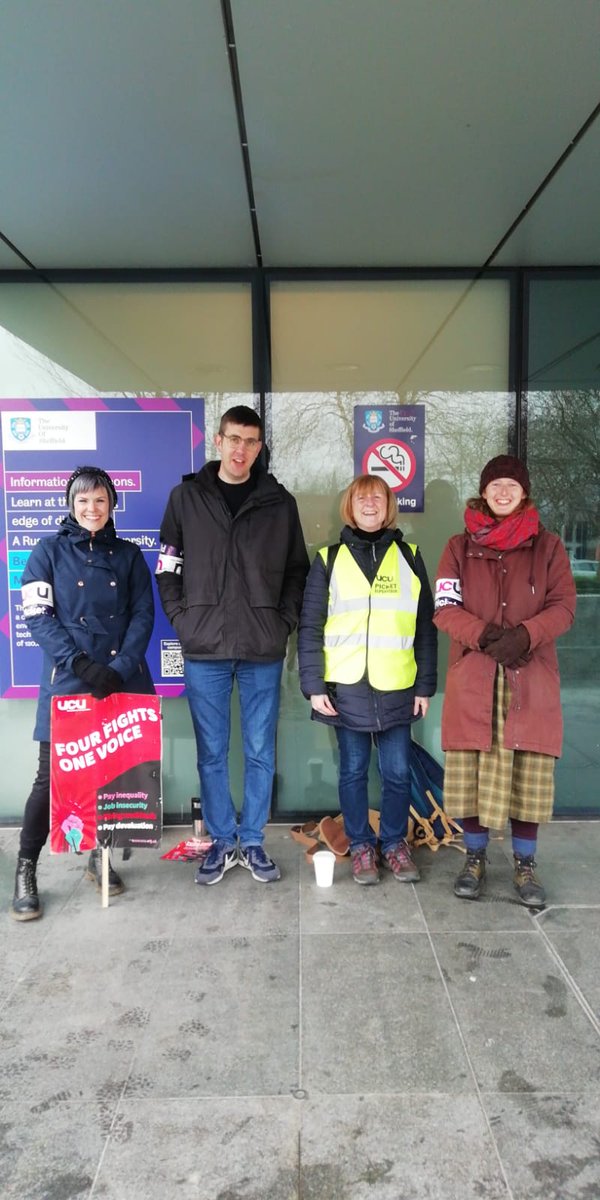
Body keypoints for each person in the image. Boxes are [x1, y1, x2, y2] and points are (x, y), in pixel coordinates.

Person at [155, 405, 309, 885]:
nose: (241, 449)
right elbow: (168, 566)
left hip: (262, 646)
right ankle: (223, 842)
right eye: (233, 439)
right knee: (212, 752)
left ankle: (254, 841)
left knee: (261, 749)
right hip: (205, 646)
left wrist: (282, 623)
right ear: (217, 442)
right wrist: (183, 619)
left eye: (251, 441)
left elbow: (297, 573)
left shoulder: (279, 504)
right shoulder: (186, 498)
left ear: (259, 448)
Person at [10, 466, 155, 921]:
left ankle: (102, 856)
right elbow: (38, 617)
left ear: (112, 506)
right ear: (71, 505)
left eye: (100, 501)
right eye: (83, 501)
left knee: (113, 776)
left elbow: (142, 616)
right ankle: (25, 868)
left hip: (120, 679)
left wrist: (118, 667)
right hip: (68, 680)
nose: (92, 509)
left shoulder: (130, 555)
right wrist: (81, 664)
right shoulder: (46, 552)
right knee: (49, 779)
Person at [433, 455, 576, 906]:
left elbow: (564, 605)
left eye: (511, 485)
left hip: (529, 678)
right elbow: (444, 607)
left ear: (524, 492)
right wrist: (486, 635)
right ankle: (473, 859)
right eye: (495, 485)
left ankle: (525, 866)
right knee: (473, 774)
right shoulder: (458, 546)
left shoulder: (548, 546)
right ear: (483, 490)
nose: (502, 492)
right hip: (474, 679)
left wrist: (526, 635)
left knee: (527, 775)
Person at [297, 474, 437, 885]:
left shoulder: (410, 556)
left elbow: (425, 628)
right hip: (346, 688)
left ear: (389, 505)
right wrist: (314, 685)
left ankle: (393, 844)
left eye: (378, 497)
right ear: (351, 506)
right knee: (353, 772)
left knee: (396, 773)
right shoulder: (328, 559)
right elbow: (310, 627)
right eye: (362, 497)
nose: (371, 503)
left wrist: (425, 685)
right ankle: (361, 846)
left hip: (397, 686)